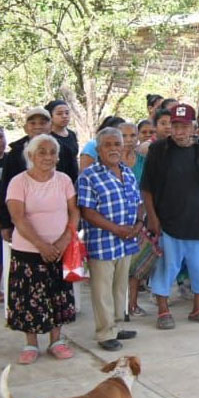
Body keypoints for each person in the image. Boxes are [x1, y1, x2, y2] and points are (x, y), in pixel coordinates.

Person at [140, 104, 199, 329]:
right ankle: (163, 309)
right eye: (175, 126)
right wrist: (152, 218)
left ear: (193, 127)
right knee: (167, 266)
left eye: (184, 126)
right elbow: (147, 188)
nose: (179, 132)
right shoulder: (159, 150)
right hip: (169, 220)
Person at [5, 134, 79, 363]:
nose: (47, 156)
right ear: (30, 155)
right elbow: (18, 218)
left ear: (58, 157)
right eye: (42, 152)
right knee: (29, 298)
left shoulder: (64, 180)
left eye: (52, 152)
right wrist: (41, 246)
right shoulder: (19, 182)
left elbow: (74, 212)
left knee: (57, 296)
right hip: (28, 251)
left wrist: (63, 241)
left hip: (59, 248)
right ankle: (31, 344)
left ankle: (56, 341)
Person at [76, 128, 143, 351]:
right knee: (102, 289)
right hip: (103, 242)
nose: (114, 149)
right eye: (108, 145)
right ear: (98, 149)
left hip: (126, 240)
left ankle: (116, 325)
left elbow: (138, 201)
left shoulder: (127, 171)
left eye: (117, 144)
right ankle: (105, 333)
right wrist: (116, 229)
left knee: (119, 286)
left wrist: (139, 224)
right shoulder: (89, 176)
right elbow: (87, 211)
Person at [1, 108, 54, 237]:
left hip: (55, 219)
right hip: (22, 220)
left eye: (42, 123)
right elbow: (5, 188)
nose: (38, 127)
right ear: (25, 128)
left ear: (50, 126)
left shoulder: (64, 151)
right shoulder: (15, 153)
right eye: (33, 123)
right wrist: (5, 223)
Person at [44, 100, 80, 183]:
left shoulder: (72, 134)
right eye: (59, 114)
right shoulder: (47, 137)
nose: (64, 116)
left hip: (73, 180)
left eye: (67, 113)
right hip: (55, 181)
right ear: (50, 116)